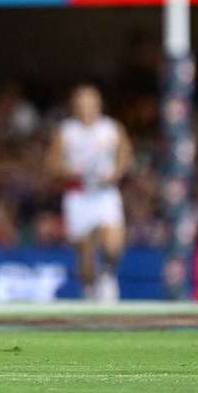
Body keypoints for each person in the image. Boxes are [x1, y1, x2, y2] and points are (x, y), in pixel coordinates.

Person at [45, 84, 132, 302]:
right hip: (78, 195)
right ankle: (89, 291)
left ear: (98, 105)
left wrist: (116, 173)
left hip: (105, 193)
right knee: (85, 252)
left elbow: (125, 155)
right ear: (74, 106)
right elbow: (52, 164)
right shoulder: (66, 131)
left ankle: (108, 276)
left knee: (113, 243)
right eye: (81, 104)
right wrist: (70, 172)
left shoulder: (111, 128)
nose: (86, 108)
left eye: (90, 103)